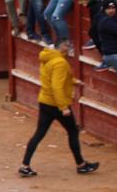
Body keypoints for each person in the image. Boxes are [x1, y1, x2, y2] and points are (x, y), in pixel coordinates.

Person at [19, 40, 99, 177]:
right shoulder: (60, 62)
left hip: (45, 101)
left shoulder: (48, 56)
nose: (69, 48)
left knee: (39, 134)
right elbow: (57, 86)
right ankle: (81, 165)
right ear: (62, 47)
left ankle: (25, 165)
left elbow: (52, 79)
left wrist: (73, 81)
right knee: (73, 131)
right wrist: (64, 107)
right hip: (56, 104)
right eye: (68, 45)